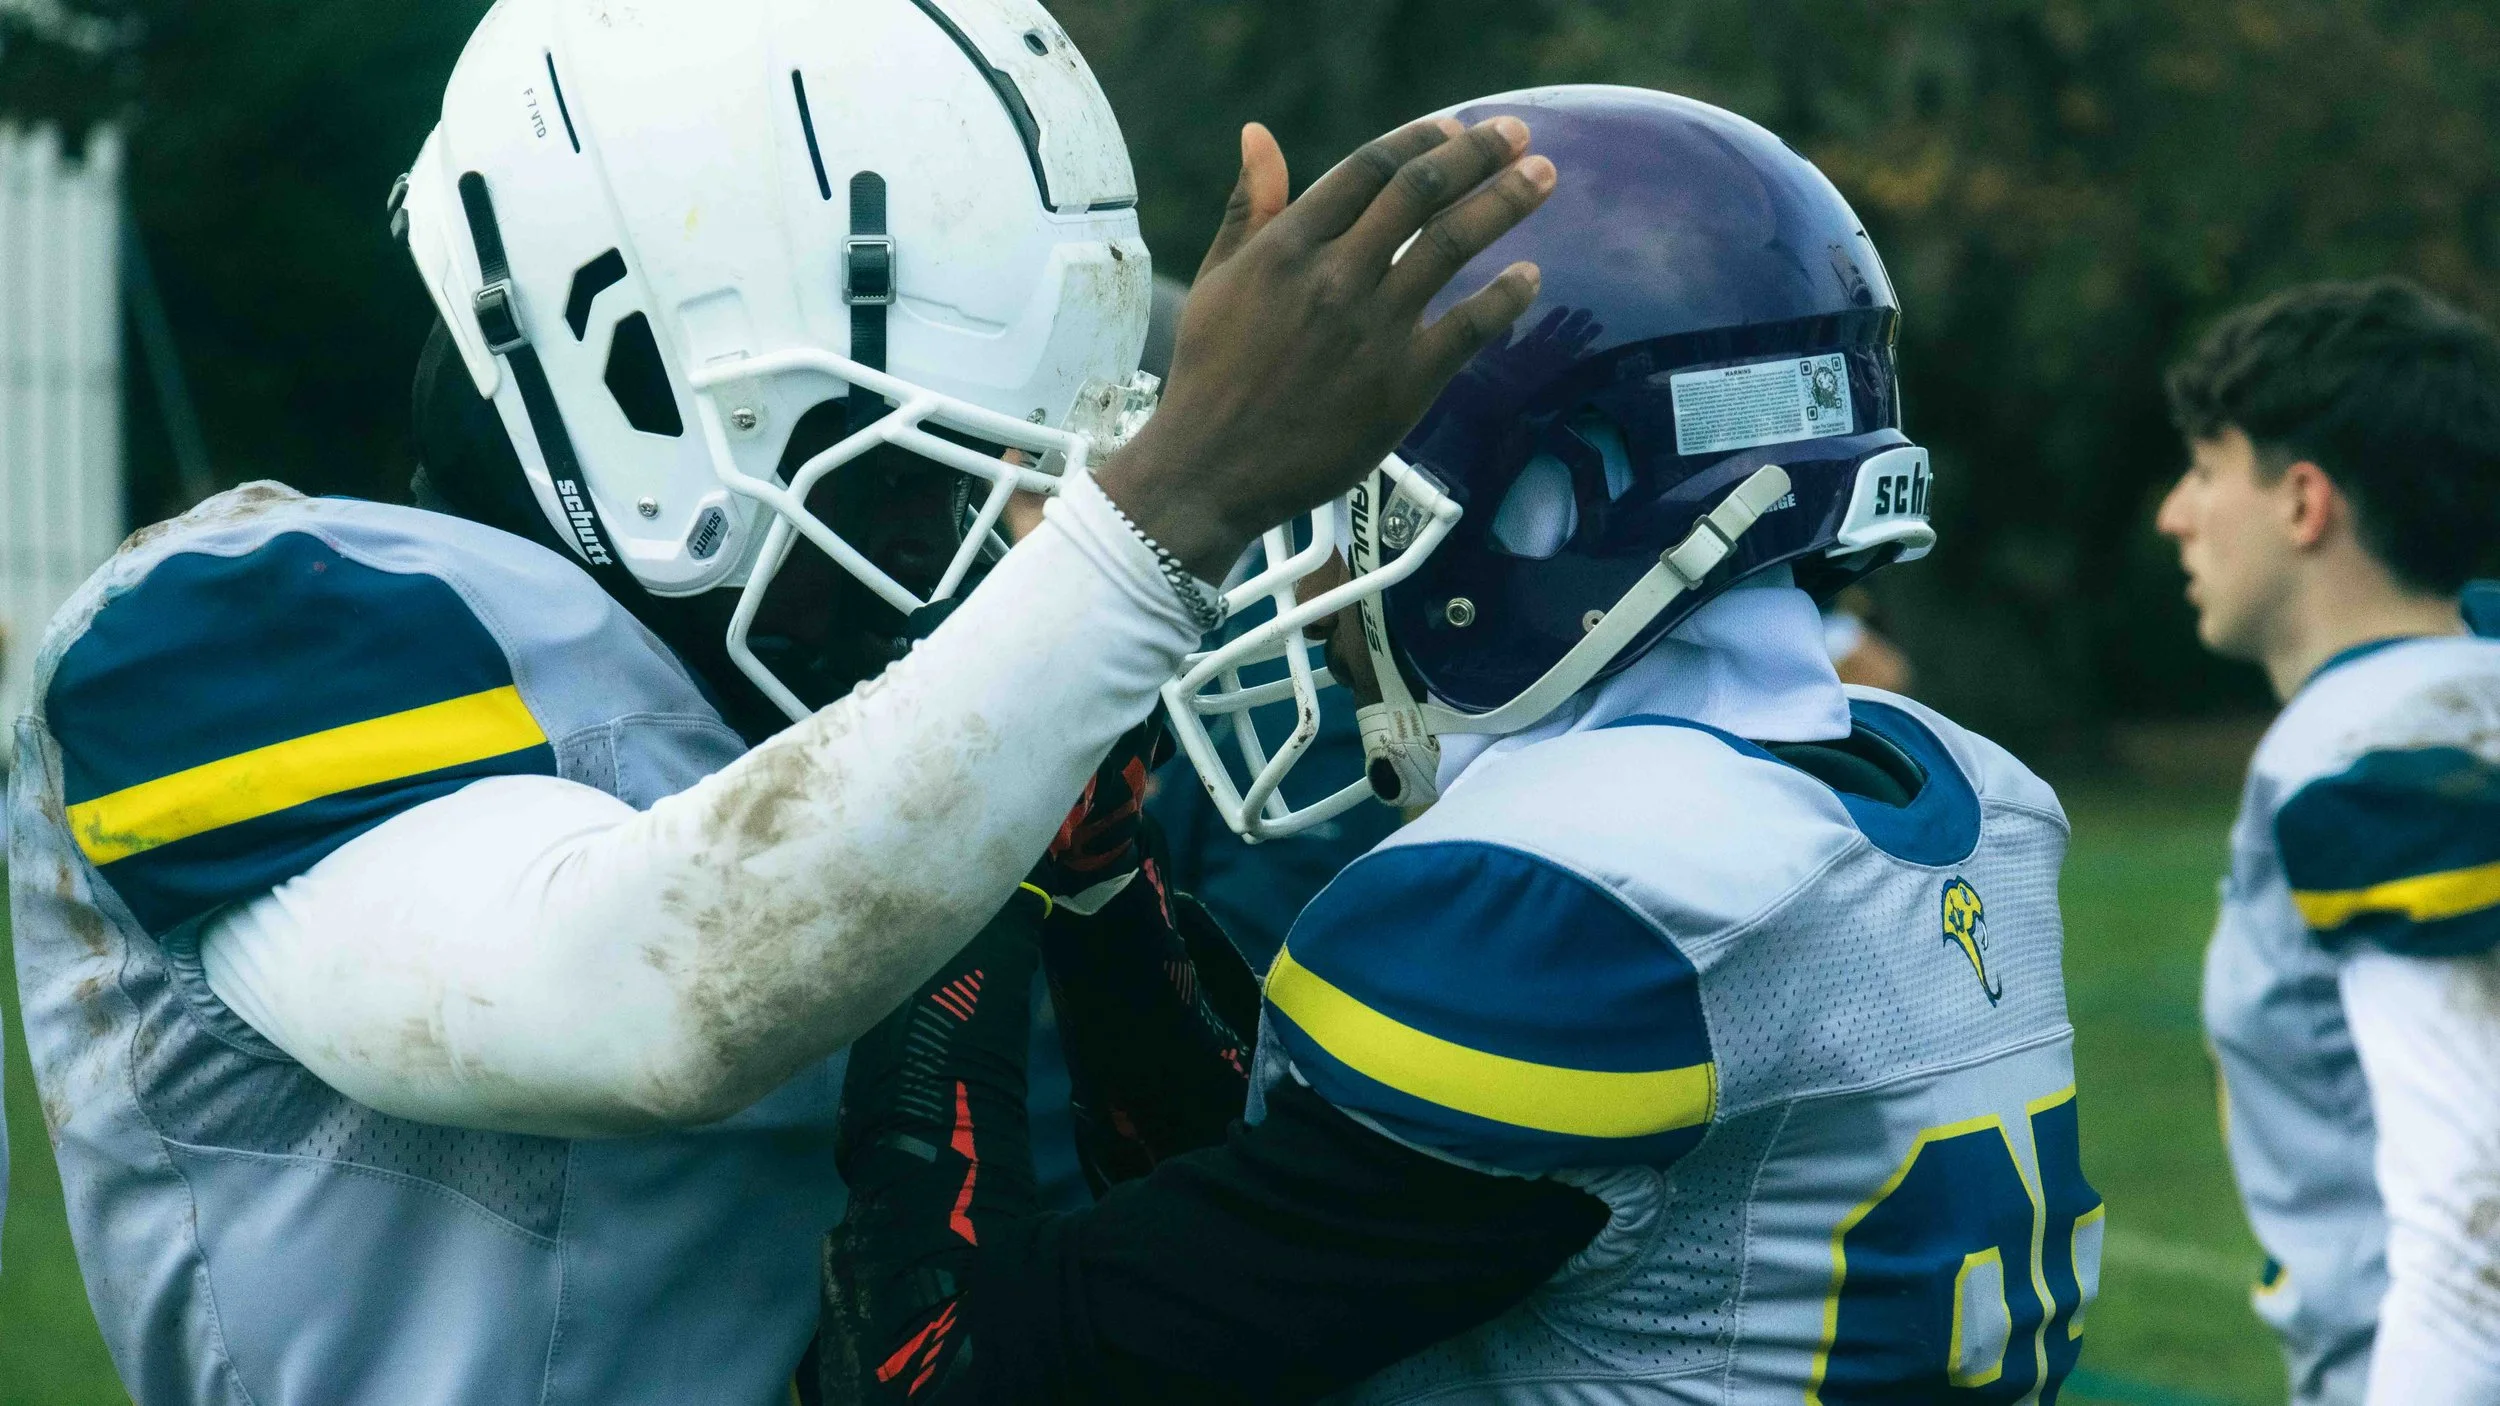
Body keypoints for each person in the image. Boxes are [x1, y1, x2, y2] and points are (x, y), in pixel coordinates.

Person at [5, 0, 1559, 1400]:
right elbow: (648, 1003)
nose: (960, 540)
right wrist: (1165, 516)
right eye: (914, 465)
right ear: (621, 357)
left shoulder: (905, 707)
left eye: (1006, 475)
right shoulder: (242, 629)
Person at [821, 85, 2102, 1405]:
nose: (1317, 574)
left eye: (1347, 500)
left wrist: (970, 824)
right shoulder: (1956, 792)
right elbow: (1270, 1226)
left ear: (1542, 515)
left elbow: (927, 1369)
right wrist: (1101, 902)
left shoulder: (1583, 904)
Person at [2154, 278, 2500, 1405]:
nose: (2175, 512)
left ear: (2305, 503)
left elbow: (2469, 1219)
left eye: (2208, 468)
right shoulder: (2462, 686)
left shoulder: (2373, 758)